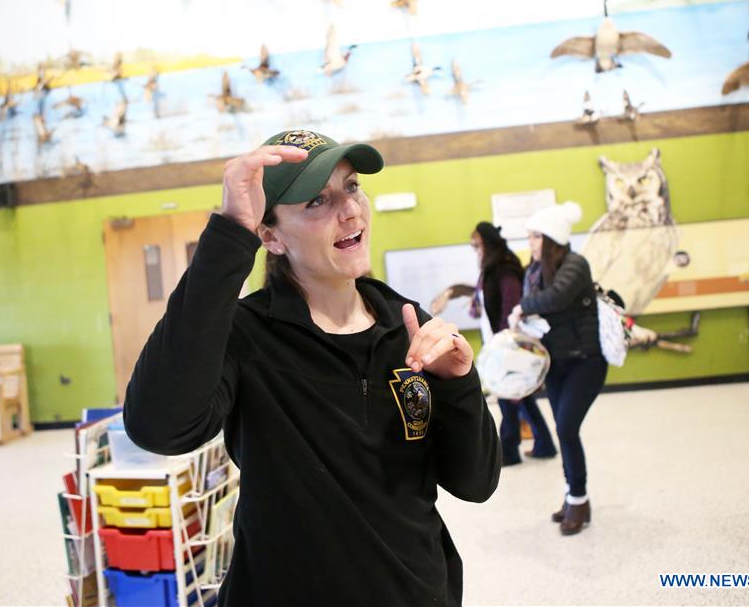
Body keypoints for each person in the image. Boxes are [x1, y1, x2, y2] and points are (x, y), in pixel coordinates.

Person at [123, 129, 502, 606]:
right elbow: (158, 427)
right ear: (271, 236)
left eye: (351, 187)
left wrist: (459, 385)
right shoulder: (247, 336)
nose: (350, 211)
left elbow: (476, 483)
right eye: (317, 202)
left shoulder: (405, 328)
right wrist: (229, 234)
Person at [510, 201, 607, 536]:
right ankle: (574, 498)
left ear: (551, 238)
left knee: (566, 429)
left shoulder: (576, 265)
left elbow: (556, 298)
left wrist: (522, 307)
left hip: (586, 362)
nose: (531, 243)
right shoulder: (534, 271)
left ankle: (577, 498)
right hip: (555, 364)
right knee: (566, 432)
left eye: (535, 236)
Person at [432, 222, 557, 466]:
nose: (475, 250)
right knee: (519, 396)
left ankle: (510, 450)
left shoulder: (505, 269)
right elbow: (482, 303)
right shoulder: (489, 270)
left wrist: (505, 344)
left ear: (487, 243)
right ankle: (544, 444)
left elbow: (509, 306)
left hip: (507, 343)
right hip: (498, 343)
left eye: (477, 245)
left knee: (507, 395)